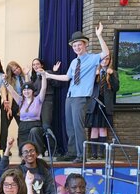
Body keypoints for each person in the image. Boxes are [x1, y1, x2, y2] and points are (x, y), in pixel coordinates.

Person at [46, 22, 109, 163]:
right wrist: (49, 75)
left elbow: (106, 53)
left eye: (79, 45)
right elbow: (67, 77)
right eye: (74, 46)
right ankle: (72, 152)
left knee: (78, 126)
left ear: (85, 45)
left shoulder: (92, 58)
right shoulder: (74, 62)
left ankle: (82, 155)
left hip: (81, 97)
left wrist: (99, 36)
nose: (77, 48)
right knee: (70, 127)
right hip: (70, 96)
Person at [5, 76, 48, 156]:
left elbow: (43, 88)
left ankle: (38, 153)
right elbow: (12, 91)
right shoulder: (20, 100)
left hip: (35, 124)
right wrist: (5, 81)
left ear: (32, 91)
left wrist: (44, 76)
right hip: (23, 126)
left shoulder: (38, 99)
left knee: (34, 131)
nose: (26, 91)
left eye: (28, 90)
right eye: (24, 90)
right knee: (23, 151)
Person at [87, 55, 119, 159]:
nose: (104, 61)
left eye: (107, 59)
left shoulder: (113, 73)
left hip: (106, 104)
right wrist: (93, 76)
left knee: (103, 129)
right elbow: (87, 87)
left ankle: (101, 154)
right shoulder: (93, 72)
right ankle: (93, 153)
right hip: (94, 104)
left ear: (110, 61)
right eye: (103, 59)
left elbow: (116, 88)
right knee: (94, 129)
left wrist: (112, 75)